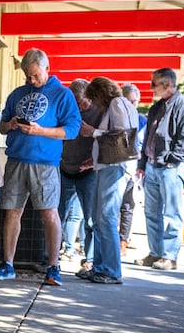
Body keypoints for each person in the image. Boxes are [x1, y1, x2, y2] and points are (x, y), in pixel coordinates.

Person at [0, 49, 81, 286]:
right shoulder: (18, 94)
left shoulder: (62, 95)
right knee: (12, 211)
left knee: (49, 213)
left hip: (45, 163)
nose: (31, 81)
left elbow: (72, 129)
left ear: (46, 68)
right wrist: (10, 124)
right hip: (17, 159)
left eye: (35, 76)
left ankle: (53, 266)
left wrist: (41, 131)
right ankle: (7, 264)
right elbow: (0, 127)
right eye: (27, 77)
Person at [138, 67, 184, 271]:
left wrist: (171, 160)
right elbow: (148, 137)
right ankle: (155, 253)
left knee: (172, 214)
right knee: (151, 213)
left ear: (167, 85)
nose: (151, 88)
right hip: (153, 166)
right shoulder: (157, 107)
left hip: (171, 167)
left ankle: (170, 256)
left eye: (154, 84)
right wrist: (143, 164)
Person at [83, 77, 138, 284]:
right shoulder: (123, 104)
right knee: (99, 218)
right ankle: (100, 266)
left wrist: (93, 132)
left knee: (105, 217)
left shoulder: (117, 104)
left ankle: (111, 270)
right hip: (109, 166)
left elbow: (122, 134)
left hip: (114, 168)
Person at [57, 78, 99, 272]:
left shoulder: (99, 113)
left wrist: (94, 158)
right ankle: (51, 256)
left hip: (88, 172)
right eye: (76, 102)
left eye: (83, 102)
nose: (81, 107)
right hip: (65, 168)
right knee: (58, 215)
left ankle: (90, 259)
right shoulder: (65, 110)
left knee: (90, 218)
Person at [117, 83, 147, 258]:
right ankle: (113, 242)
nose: (132, 105)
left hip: (132, 169)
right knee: (111, 207)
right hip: (115, 167)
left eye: (135, 102)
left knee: (127, 206)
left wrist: (141, 166)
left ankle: (123, 242)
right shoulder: (114, 117)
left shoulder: (143, 121)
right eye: (129, 101)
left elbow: (146, 145)